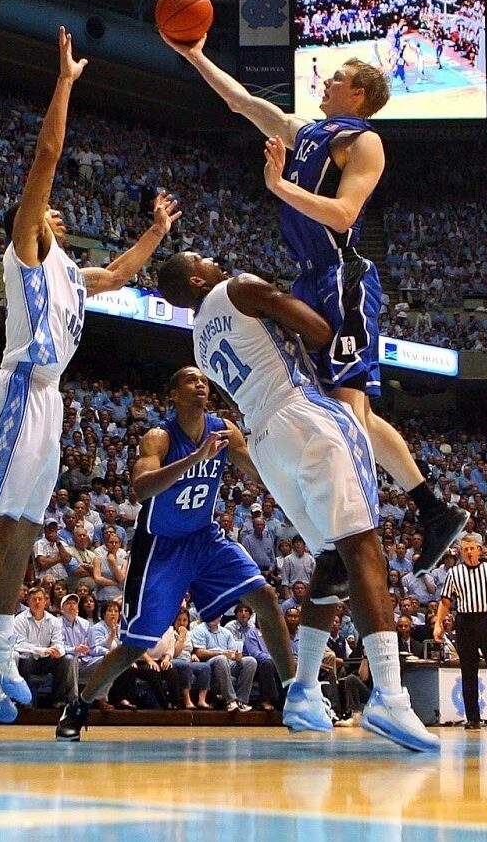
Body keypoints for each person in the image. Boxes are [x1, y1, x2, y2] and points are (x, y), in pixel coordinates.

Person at [163, 32, 468, 585]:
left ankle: (387, 525)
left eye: (336, 77)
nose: (325, 81)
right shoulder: (307, 132)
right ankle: (402, 519)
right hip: (307, 277)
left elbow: (346, 214)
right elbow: (242, 103)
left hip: (340, 276)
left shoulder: (365, 141)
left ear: (358, 93)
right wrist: (195, 54)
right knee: (337, 413)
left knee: (349, 415)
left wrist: (279, 186)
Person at [0, 28, 182, 724]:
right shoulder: (25, 252)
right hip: (18, 390)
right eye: (43, 205)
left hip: (50, 404)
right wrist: (66, 83)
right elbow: (47, 155)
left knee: (23, 531)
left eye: (53, 210)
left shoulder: (76, 276)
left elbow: (124, 272)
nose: (51, 209)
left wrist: (157, 232)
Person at [155, 250, 438, 751]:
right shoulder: (238, 287)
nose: (214, 258)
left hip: (265, 440)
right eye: (203, 259)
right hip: (303, 412)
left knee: (331, 561)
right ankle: (391, 697)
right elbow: (320, 331)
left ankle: (304, 691)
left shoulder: (199, 342)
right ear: (197, 278)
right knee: (364, 548)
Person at [56, 366, 295, 740]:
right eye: (189, 379)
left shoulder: (224, 430)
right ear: (174, 396)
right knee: (136, 644)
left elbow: (255, 471)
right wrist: (194, 459)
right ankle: (81, 704)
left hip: (204, 538)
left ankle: (296, 693)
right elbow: (141, 489)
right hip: (161, 547)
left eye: (203, 379)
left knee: (264, 595)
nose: (200, 383)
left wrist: (290, 477)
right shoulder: (159, 438)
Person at [431, 533, 487, 730]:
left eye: (472, 548)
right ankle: (473, 718)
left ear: (479, 550)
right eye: (465, 549)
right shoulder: (454, 573)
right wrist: (438, 623)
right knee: (468, 671)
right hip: (465, 622)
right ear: (461, 553)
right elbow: (445, 601)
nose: (469, 552)